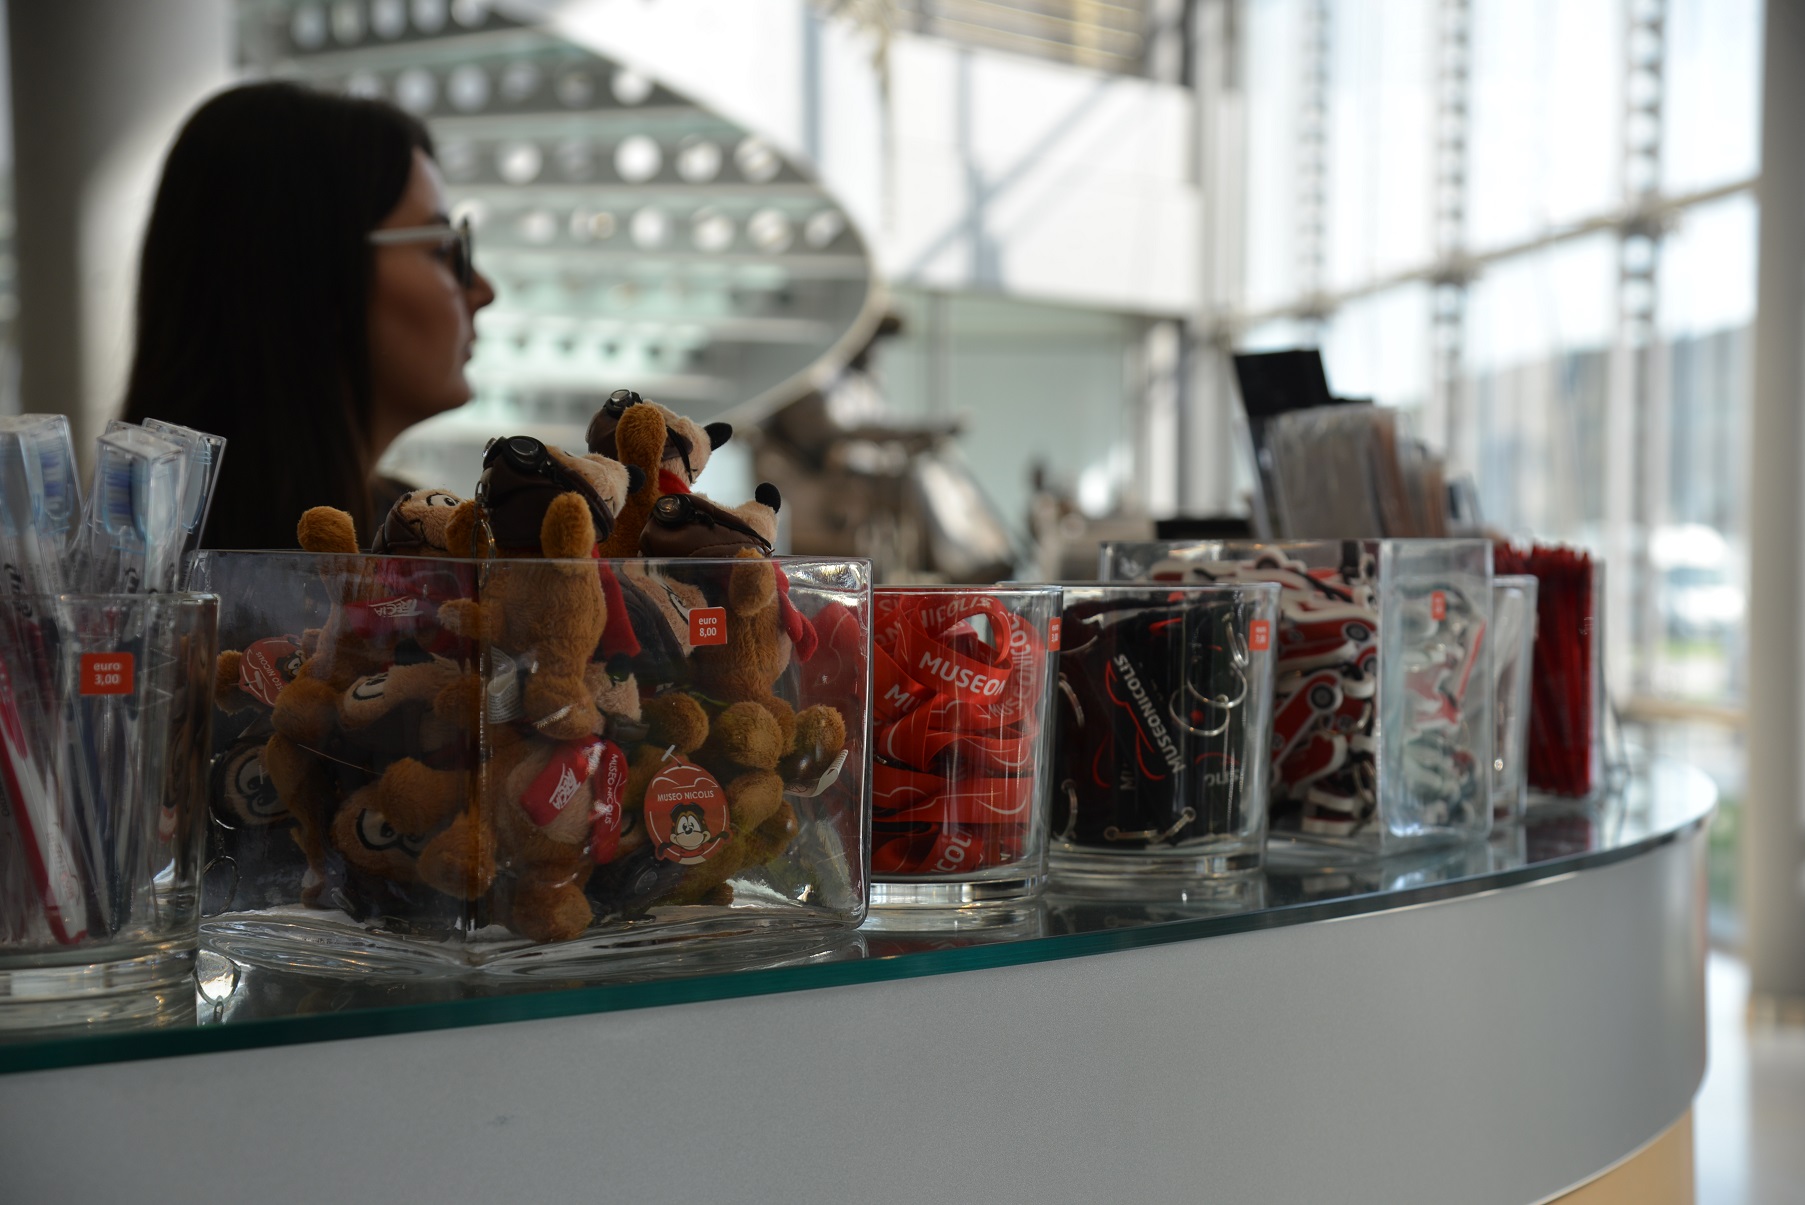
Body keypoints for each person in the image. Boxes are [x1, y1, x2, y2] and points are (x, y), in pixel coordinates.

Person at [121, 81, 495, 549]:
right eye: (441, 248)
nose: (484, 290)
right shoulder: (163, 580)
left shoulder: (420, 535)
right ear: (314, 273)